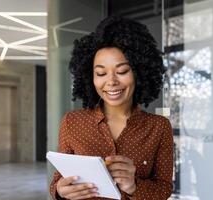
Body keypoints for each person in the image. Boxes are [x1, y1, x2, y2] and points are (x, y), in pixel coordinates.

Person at [50, 16, 174, 200]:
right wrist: (60, 190)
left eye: (122, 71)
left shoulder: (159, 127)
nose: (111, 82)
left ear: (139, 72)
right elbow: (57, 181)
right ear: (90, 77)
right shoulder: (72, 122)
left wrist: (134, 186)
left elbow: (164, 189)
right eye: (101, 73)